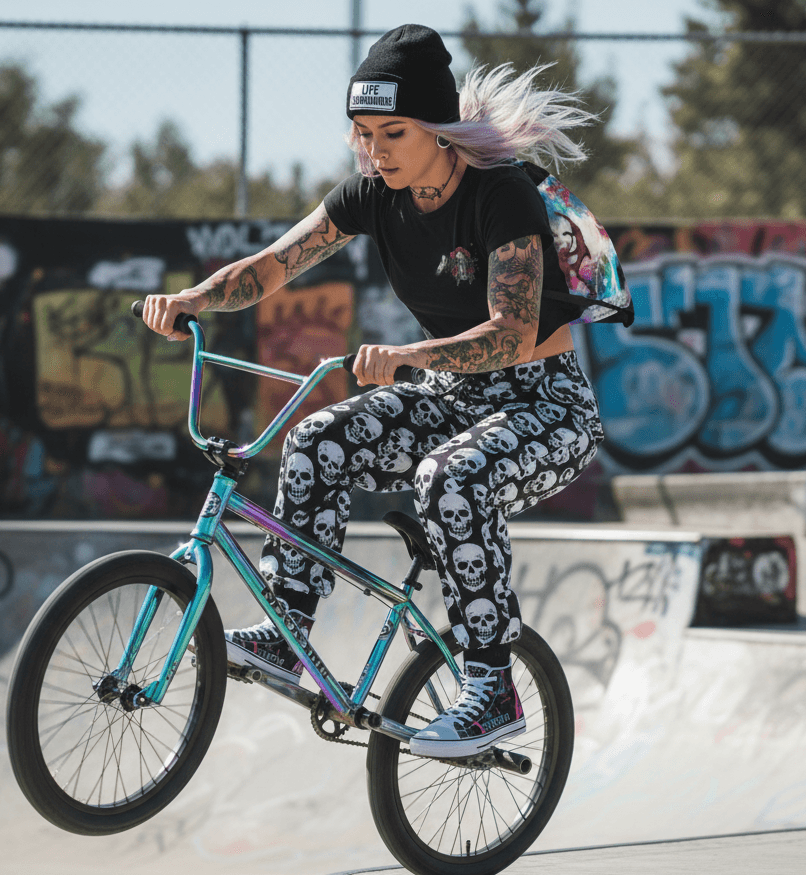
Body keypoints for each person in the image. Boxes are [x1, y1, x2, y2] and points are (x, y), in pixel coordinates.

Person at [142, 24, 605, 758]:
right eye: (361, 133)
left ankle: (491, 686)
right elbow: (273, 265)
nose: (374, 149)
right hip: (452, 396)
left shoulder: (500, 195)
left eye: (393, 132)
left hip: (544, 408)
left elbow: (514, 332)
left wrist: (414, 354)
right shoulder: (370, 196)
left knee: (452, 479)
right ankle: (288, 630)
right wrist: (191, 299)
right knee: (316, 440)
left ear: (441, 130)